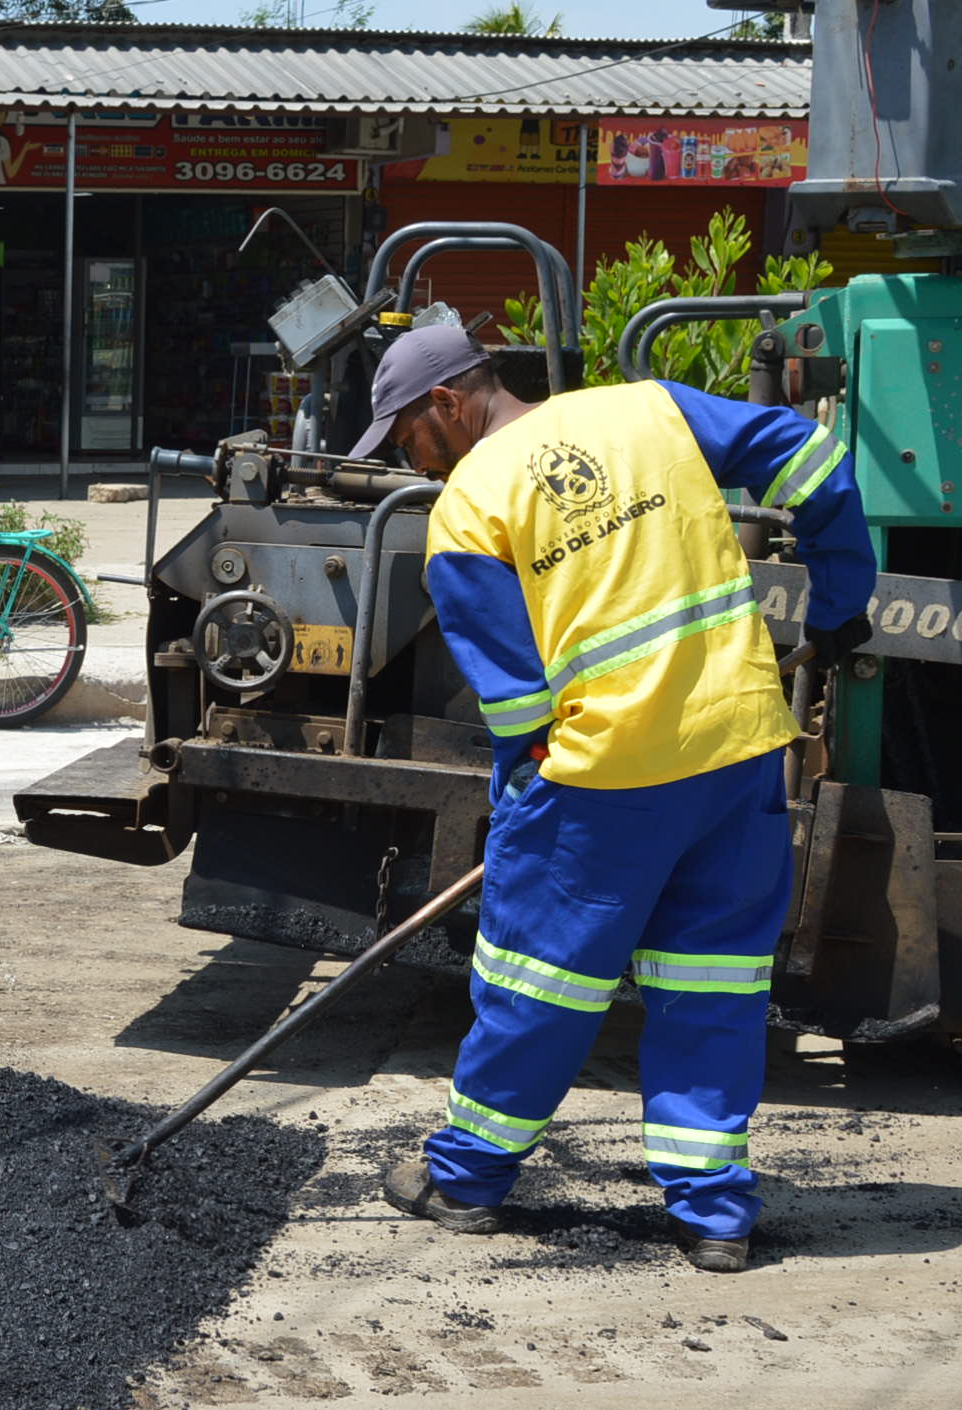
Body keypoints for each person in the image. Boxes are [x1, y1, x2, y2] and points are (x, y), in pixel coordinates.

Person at [351, 326, 876, 1273]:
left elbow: (515, 700)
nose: (405, 457)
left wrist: (525, 804)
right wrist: (840, 606)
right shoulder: (648, 409)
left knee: (536, 982)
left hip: (603, 778)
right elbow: (813, 456)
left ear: (447, 402)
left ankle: (465, 1178)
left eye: (402, 437)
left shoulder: (468, 506)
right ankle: (715, 1215)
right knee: (711, 985)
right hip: (737, 753)